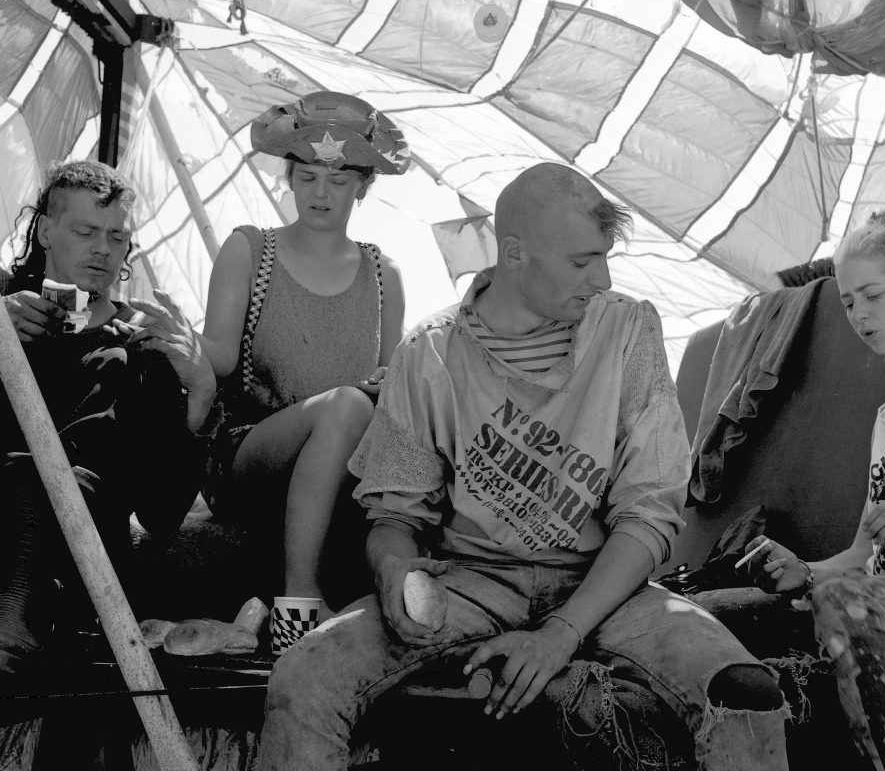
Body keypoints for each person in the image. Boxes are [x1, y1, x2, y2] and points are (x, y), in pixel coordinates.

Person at [258, 162, 790, 771]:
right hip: (473, 579)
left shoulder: (627, 330)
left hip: (606, 584)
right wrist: (391, 566)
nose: (602, 278)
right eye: (581, 262)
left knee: (746, 694)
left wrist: (559, 635)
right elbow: (394, 515)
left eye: (604, 258)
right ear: (514, 253)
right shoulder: (431, 352)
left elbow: (649, 515)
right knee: (304, 675)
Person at [197, 91, 409, 653]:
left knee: (358, 409)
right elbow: (217, 354)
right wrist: (174, 338)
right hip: (250, 454)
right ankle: (299, 601)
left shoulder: (384, 276)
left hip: (342, 469)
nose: (320, 193)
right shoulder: (250, 249)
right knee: (344, 405)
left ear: (363, 186)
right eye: (308, 176)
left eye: (338, 181)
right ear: (288, 178)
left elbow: (389, 384)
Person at [742, 209, 885, 771]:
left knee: (846, 600)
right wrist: (806, 571)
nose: (859, 314)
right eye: (849, 301)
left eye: (873, 295)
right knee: (730, 608)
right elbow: (862, 556)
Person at [0, 159, 215, 673]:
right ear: (47, 230)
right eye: (85, 231)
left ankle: (13, 637)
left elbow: (162, 514)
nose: (102, 247)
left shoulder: (145, 342)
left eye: (117, 236)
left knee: (50, 479)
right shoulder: (4, 307)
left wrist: (200, 392)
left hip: (85, 548)